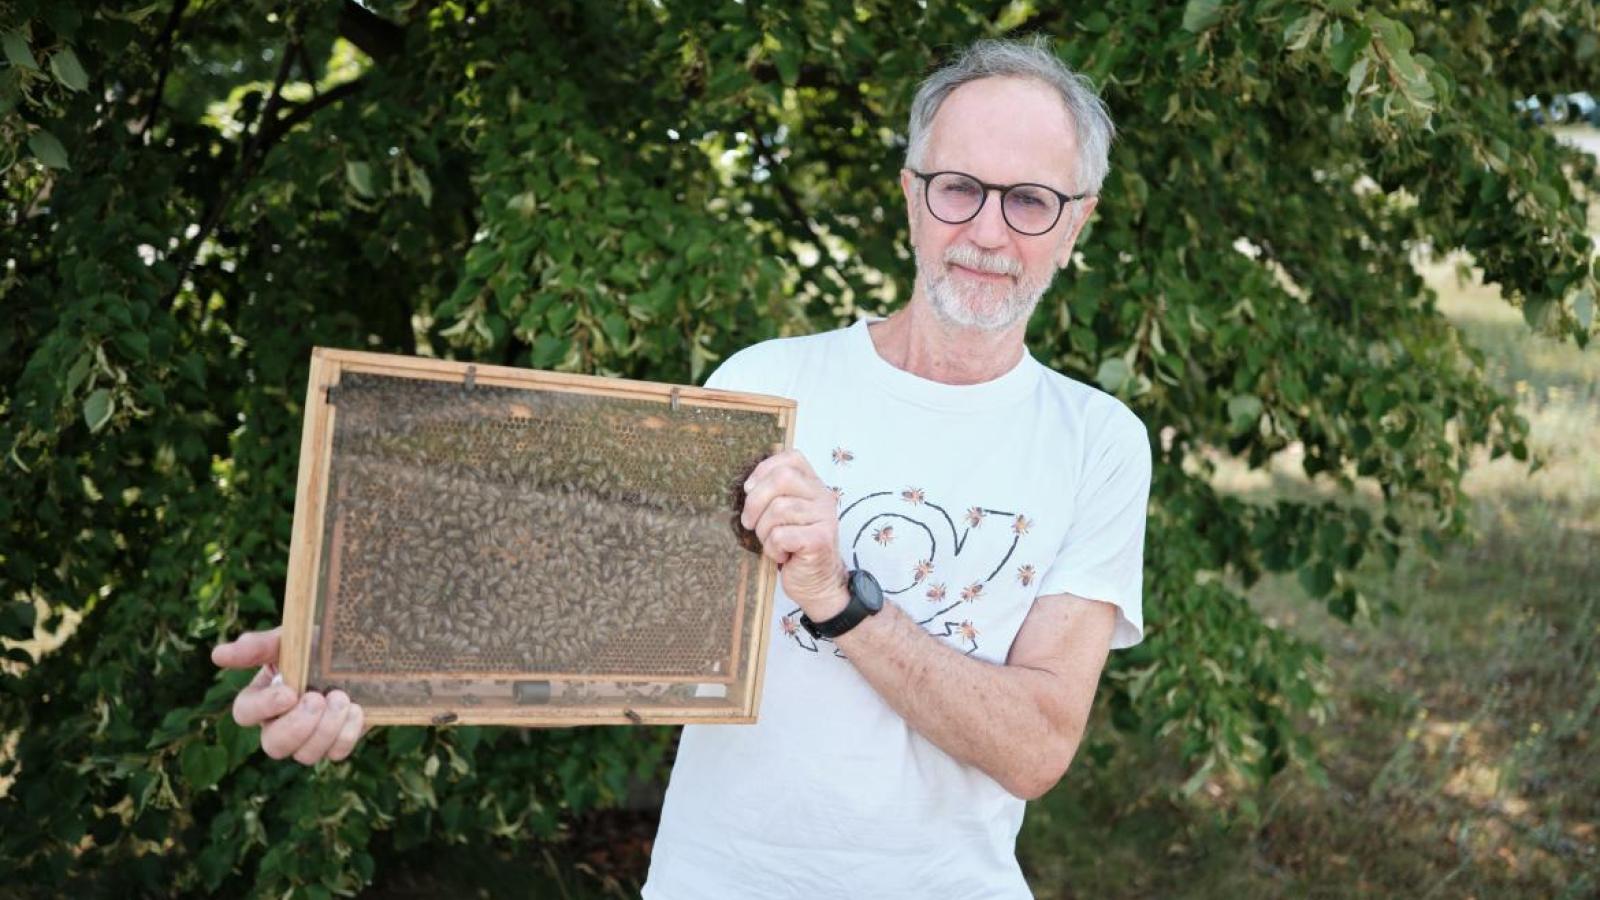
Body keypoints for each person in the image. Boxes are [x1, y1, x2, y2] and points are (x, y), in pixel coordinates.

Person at [213, 36, 1151, 899]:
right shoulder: (767, 384)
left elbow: (1033, 747)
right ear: (911, 194)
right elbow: (594, 605)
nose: (988, 231)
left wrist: (838, 598)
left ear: (1078, 226)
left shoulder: (1097, 441)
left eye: (1030, 200)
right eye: (959, 187)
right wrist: (355, 653)